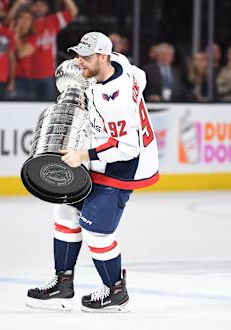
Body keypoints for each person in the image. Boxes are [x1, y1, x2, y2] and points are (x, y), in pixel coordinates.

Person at [26, 32, 159, 312]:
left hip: (122, 168)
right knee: (64, 211)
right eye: (77, 54)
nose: (78, 62)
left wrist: (83, 154)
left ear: (102, 57)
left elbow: (127, 147)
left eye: (85, 57)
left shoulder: (116, 99)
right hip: (102, 159)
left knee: (96, 232)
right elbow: (141, 76)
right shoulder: (120, 63)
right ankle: (63, 284)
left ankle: (115, 292)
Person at [8, 0, 78, 100]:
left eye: (42, 5)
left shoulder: (51, 21)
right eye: (36, 5)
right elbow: (8, 22)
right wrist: (18, 4)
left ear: (47, 7)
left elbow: (73, 11)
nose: (39, 8)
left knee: (46, 110)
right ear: (30, 7)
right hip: (24, 76)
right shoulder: (23, 22)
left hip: (47, 75)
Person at [12, 6, 37, 100]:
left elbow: (21, 53)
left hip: (24, 78)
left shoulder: (33, 38)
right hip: (10, 77)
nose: (24, 21)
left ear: (31, 22)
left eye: (27, 18)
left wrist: (16, 34)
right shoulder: (10, 34)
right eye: (21, 17)